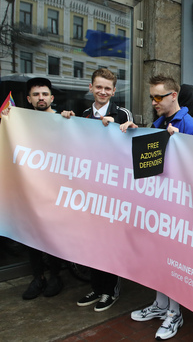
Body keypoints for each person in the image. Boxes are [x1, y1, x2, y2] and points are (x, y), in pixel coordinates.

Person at [120, 75, 193, 340]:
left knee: (174, 259)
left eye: (158, 97)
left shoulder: (187, 125)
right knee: (158, 256)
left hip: (179, 208)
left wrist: (182, 145)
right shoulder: (159, 122)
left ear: (173, 95)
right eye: (151, 97)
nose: (154, 102)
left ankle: (174, 312)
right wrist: (136, 130)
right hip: (158, 204)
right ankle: (161, 304)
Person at [62, 68, 131, 312]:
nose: (103, 92)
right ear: (91, 87)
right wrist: (66, 122)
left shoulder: (122, 114)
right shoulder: (82, 114)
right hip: (89, 191)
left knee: (108, 243)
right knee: (90, 243)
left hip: (113, 193)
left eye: (107, 88)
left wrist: (121, 127)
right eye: (98, 87)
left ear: (114, 91)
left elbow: (133, 139)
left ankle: (110, 290)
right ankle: (96, 287)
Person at [20, 78, 64, 299]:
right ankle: (38, 278)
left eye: (44, 94)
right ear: (29, 99)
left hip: (54, 191)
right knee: (31, 236)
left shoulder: (62, 121)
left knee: (52, 236)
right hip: (30, 191)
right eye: (36, 95)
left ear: (51, 98)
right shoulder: (20, 123)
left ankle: (55, 277)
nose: (41, 98)